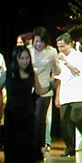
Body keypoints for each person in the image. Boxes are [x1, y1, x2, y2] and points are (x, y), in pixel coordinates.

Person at [0, 46, 46, 163]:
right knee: (12, 154)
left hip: (27, 116)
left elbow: (39, 91)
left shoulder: (32, 74)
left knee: (27, 148)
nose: (25, 61)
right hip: (12, 117)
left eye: (27, 58)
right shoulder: (7, 75)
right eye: (22, 58)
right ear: (16, 59)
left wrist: (53, 84)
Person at [54, 33, 82, 157]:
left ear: (70, 44)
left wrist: (65, 61)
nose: (60, 49)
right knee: (64, 122)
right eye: (58, 47)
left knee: (76, 118)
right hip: (65, 93)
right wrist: (57, 96)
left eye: (62, 46)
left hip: (77, 91)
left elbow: (76, 71)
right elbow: (59, 79)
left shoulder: (78, 56)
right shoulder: (59, 59)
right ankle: (70, 148)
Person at [28, 26, 61, 154]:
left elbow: (57, 71)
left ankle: (41, 145)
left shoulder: (51, 51)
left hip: (45, 88)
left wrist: (54, 64)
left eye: (41, 41)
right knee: (30, 118)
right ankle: (30, 145)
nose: (38, 44)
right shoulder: (28, 50)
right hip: (30, 88)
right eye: (36, 41)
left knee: (40, 119)